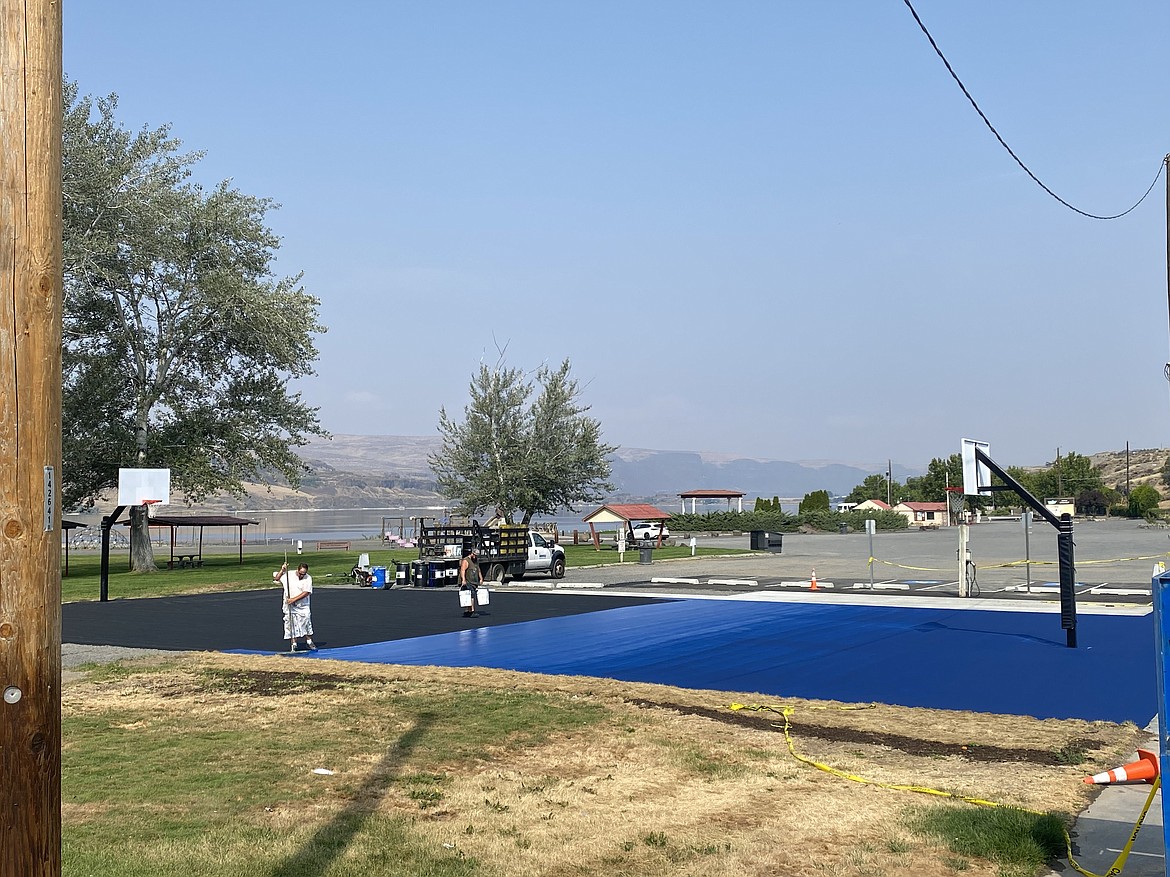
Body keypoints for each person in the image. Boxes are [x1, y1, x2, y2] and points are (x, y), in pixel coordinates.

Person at [275, 561, 317, 651]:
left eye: (304, 574)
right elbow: (277, 579)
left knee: (306, 621)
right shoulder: (289, 574)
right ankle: (294, 643)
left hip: (303, 605)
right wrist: (282, 570)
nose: (302, 575)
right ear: (297, 570)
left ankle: (309, 641)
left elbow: (306, 592)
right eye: (300, 573)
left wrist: (294, 599)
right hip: (290, 605)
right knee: (291, 623)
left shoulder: (308, 578)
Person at [458, 547, 481, 618]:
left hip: (474, 581)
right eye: (475, 555)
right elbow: (462, 570)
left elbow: (478, 569)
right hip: (468, 581)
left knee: (469, 595)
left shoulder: (475, 560)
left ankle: (467, 610)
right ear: (472, 554)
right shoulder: (466, 560)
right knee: (471, 595)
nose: (475, 557)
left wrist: (481, 578)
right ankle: (471, 611)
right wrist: (463, 580)